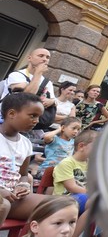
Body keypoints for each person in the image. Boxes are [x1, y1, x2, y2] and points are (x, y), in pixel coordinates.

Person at [0, 93, 50, 224]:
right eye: (32, 115)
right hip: (3, 199)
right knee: (3, 205)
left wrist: (22, 185)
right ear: (11, 114)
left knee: (57, 206)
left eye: (39, 117)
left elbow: (23, 174)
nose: (37, 121)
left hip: (12, 197)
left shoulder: (26, 143)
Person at [0, 48, 57, 129]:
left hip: (31, 124)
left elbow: (54, 100)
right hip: (8, 119)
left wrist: (51, 101)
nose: (45, 59)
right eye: (41, 56)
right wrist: (38, 73)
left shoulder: (47, 82)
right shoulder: (16, 75)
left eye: (47, 57)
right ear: (29, 58)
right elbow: (27, 96)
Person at [52, 130, 97, 216]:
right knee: (95, 202)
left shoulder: (91, 163)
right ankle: (78, 230)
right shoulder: (67, 163)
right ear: (81, 146)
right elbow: (72, 187)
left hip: (83, 197)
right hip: (65, 200)